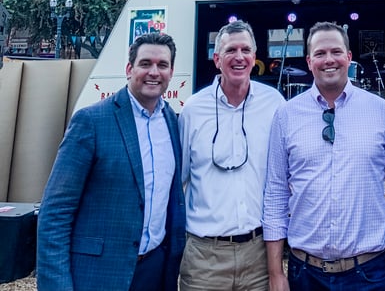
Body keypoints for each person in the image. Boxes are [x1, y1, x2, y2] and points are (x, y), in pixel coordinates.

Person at [264, 21, 385, 291]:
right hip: (305, 273)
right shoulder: (286, 115)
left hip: (370, 272)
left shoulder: (382, 111)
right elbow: (276, 193)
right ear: (309, 60)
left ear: (348, 57)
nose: (329, 60)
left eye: (336, 52)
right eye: (320, 54)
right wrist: (275, 272)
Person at [37, 32, 185, 291]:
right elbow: (55, 213)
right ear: (129, 69)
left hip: (155, 272)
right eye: (145, 63)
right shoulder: (91, 122)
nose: (154, 72)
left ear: (171, 72)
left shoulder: (172, 121)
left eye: (162, 65)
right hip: (99, 275)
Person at [179, 19, 284, 291]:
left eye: (246, 50)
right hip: (204, 258)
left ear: (254, 57)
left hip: (259, 254)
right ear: (216, 59)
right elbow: (178, 181)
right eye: (230, 50)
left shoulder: (274, 104)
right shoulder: (193, 110)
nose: (239, 57)